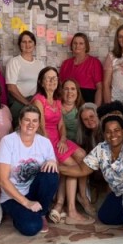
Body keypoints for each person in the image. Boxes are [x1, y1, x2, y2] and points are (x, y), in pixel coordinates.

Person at [65, 111, 123, 225]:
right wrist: (56, 167)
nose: (113, 135)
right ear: (103, 134)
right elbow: (82, 170)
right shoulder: (101, 149)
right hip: (122, 192)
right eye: (108, 132)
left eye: (116, 130)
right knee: (105, 216)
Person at [32, 67, 94, 225]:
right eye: (48, 78)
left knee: (84, 157)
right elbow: (41, 127)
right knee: (73, 165)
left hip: (59, 139)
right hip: (45, 140)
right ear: (41, 81)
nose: (52, 81)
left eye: (54, 78)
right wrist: (50, 149)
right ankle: (71, 209)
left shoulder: (57, 100)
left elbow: (61, 125)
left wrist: (63, 139)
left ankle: (77, 197)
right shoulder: (39, 100)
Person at [0, 105, 60, 236]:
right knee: (31, 228)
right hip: (11, 196)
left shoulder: (44, 142)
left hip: (33, 192)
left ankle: (41, 213)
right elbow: (2, 180)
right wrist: (26, 203)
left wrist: (53, 161)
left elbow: (54, 172)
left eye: (35, 121)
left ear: (38, 123)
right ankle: (21, 215)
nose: (31, 124)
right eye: (27, 120)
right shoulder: (8, 142)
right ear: (20, 121)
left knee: (51, 174)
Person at [6, 30, 45, 124]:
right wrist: (27, 103)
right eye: (24, 42)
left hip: (35, 102)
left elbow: (43, 85)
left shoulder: (40, 64)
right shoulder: (14, 62)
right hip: (19, 103)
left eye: (30, 41)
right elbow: (11, 88)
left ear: (34, 45)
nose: (27, 44)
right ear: (20, 45)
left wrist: (36, 102)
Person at [60, 32, 104, 105]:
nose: (77, 46)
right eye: (75, 43)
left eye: (81, 43)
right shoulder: (66, 64)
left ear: (86, 46)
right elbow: (61, 87)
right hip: (68, 105)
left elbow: (99, 88)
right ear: (71, 45)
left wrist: (96, 108)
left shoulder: (94, 63)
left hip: (88, 102)